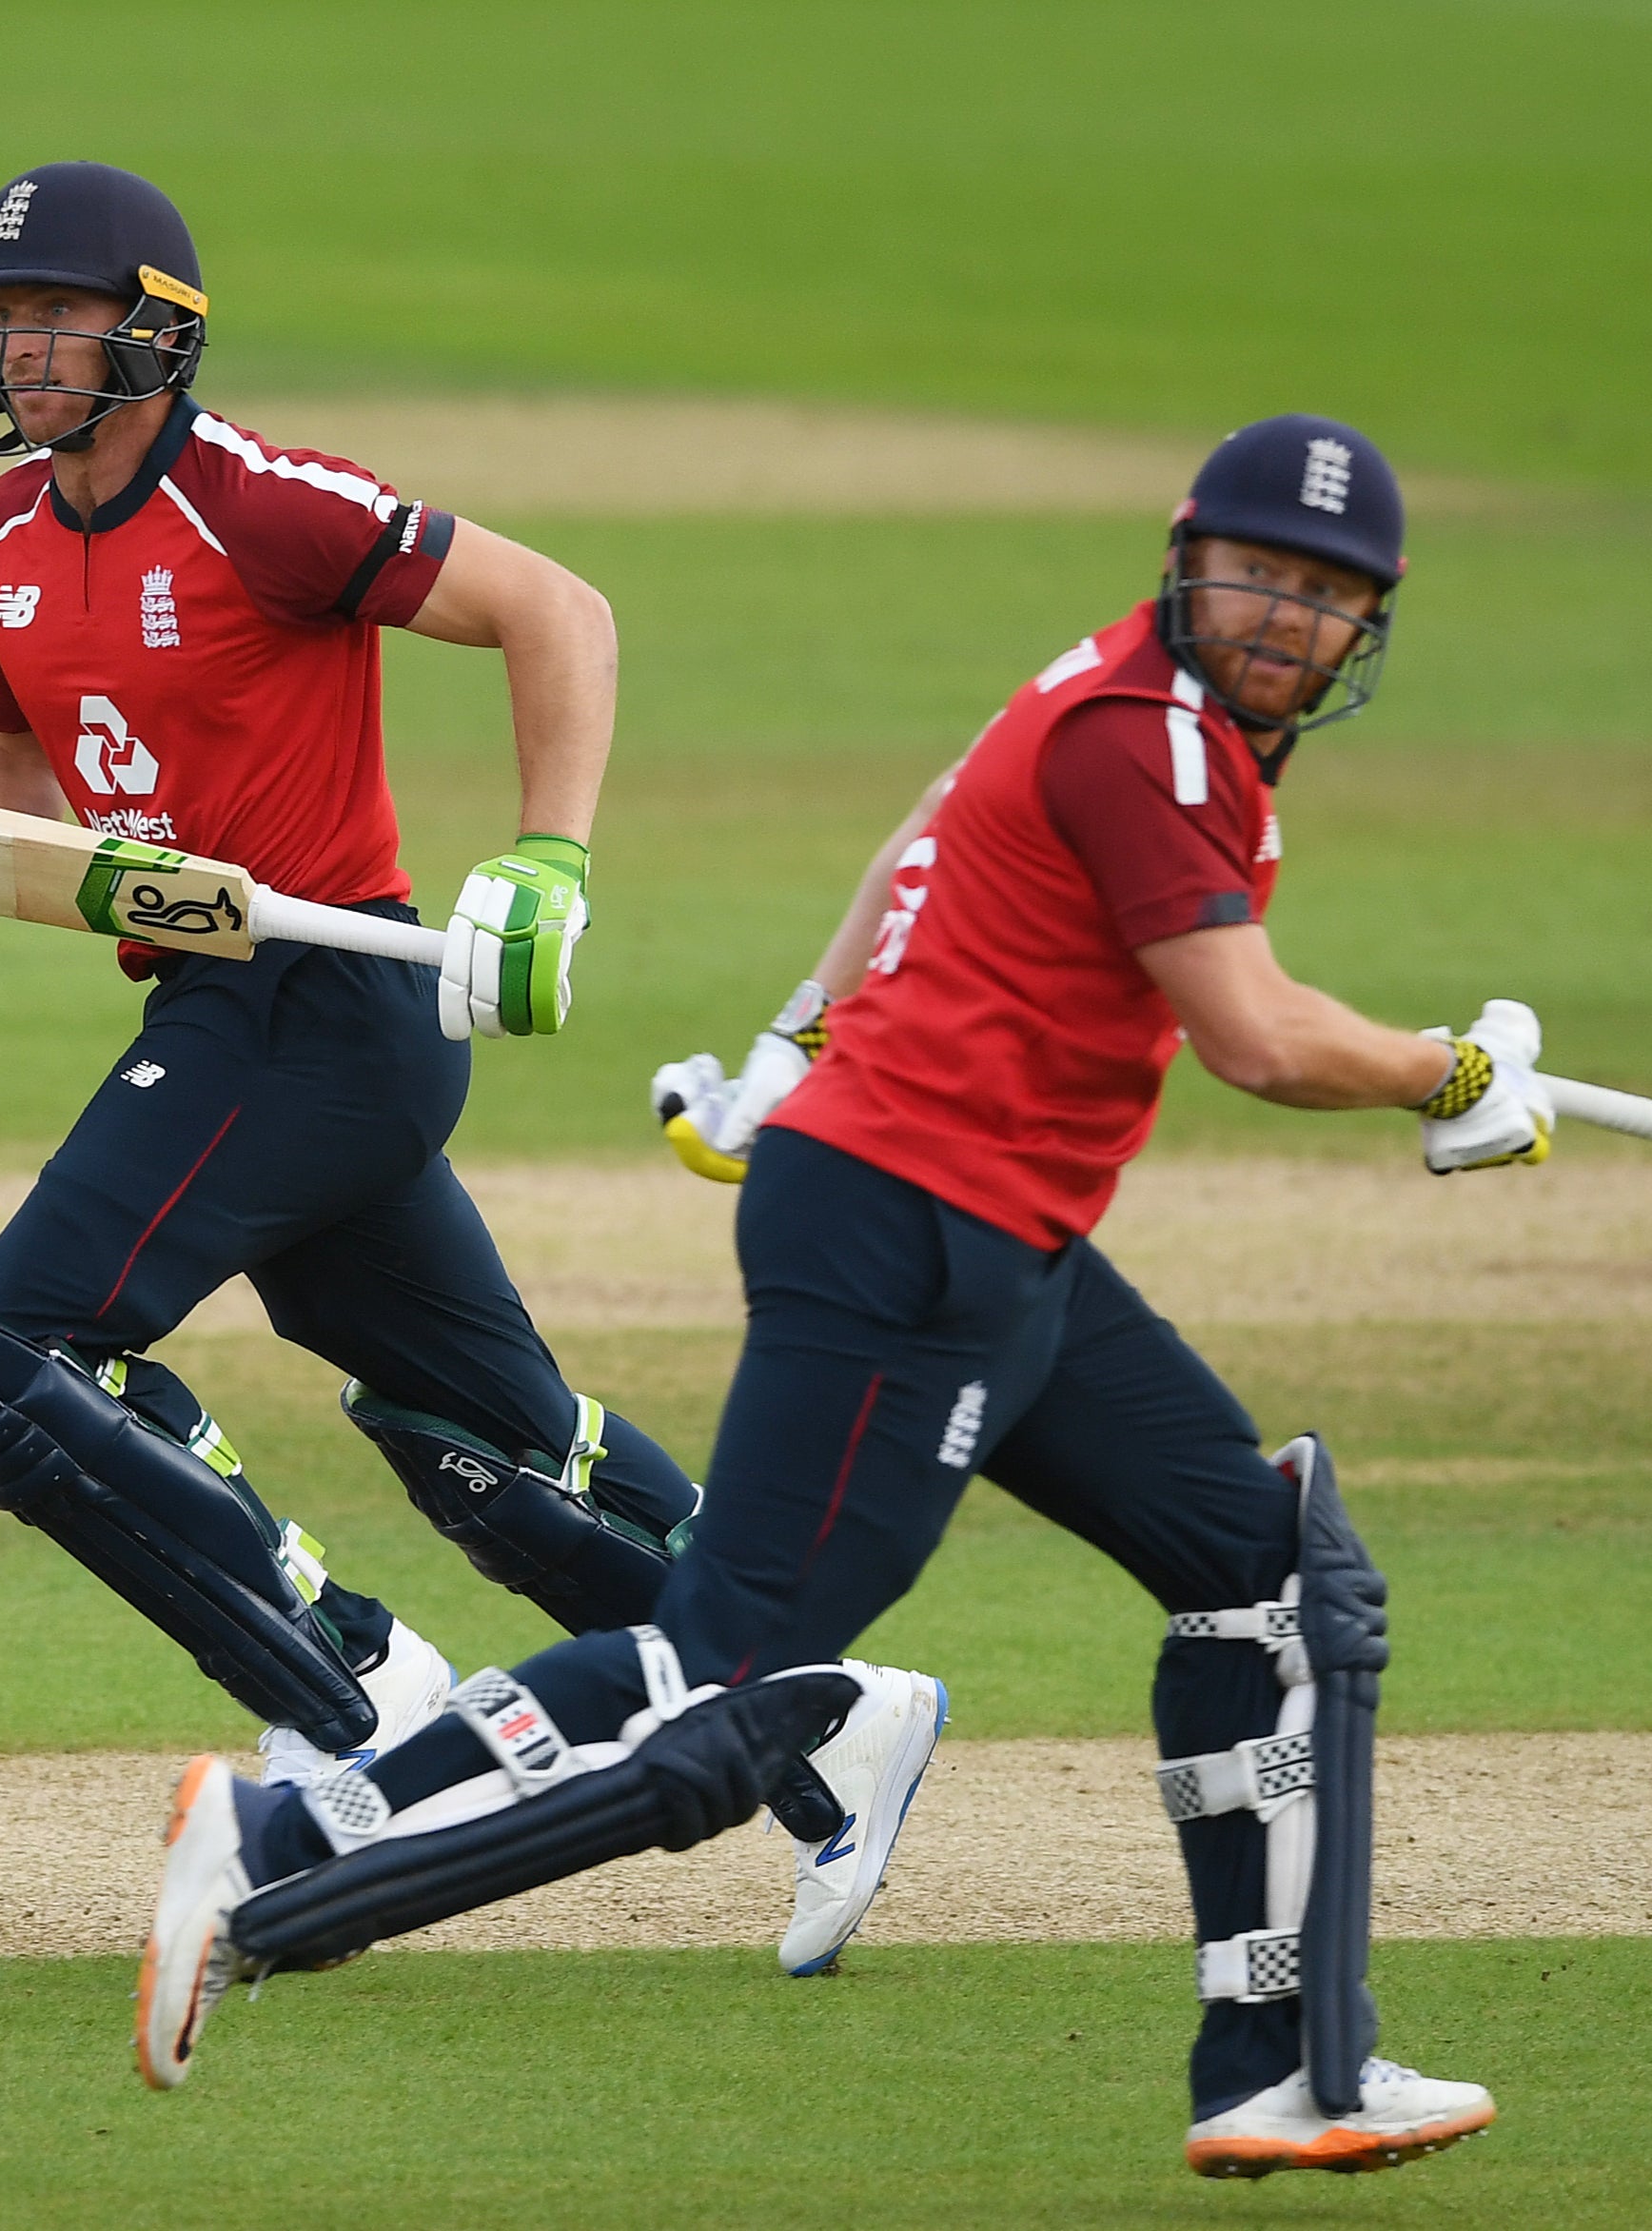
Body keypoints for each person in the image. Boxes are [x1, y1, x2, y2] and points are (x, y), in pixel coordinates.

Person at [138, 414, 1530, 2177]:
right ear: (1188, 560)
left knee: (1261, 1575)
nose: (1283, 616)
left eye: (1326, 596)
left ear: (1365, 629)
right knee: (725, 1681)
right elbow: (1252, 1035)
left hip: (993, 1231)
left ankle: (1282, 2066)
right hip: (914, 1227)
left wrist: (791, 1043)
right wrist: (1451, 1079)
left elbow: (917, 842)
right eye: (1260, 572)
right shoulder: (1146, 740)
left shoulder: (1105, 691)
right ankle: (286, 1850)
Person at [0, 161, 939, 1985]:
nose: (17, 348)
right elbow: (8, 791)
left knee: (18, 1353)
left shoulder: (262, 503)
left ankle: (345, 1670)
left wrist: (549, 856)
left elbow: (557, 608)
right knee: (490, 1453)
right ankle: (829, 1712)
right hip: (221, 1018)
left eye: (55, 316)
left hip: (321, 1012)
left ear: (155, 333)